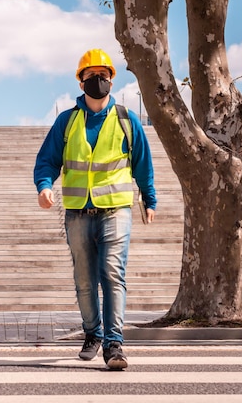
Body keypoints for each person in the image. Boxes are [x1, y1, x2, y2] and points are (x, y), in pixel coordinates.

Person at [33, 49, 157, 370]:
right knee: (84, 279)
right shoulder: (68, 121)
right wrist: (45, 186)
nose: (97, 81)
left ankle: (114, 344)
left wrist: (150, 199)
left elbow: (143, 165)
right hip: (77, 212)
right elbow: (47, 160)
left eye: (103, 76)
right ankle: (93, 333)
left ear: (112, 81)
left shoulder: (127, 121)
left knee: (113, 275)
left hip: (116, 210)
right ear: (81, 81)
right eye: (91, 76)